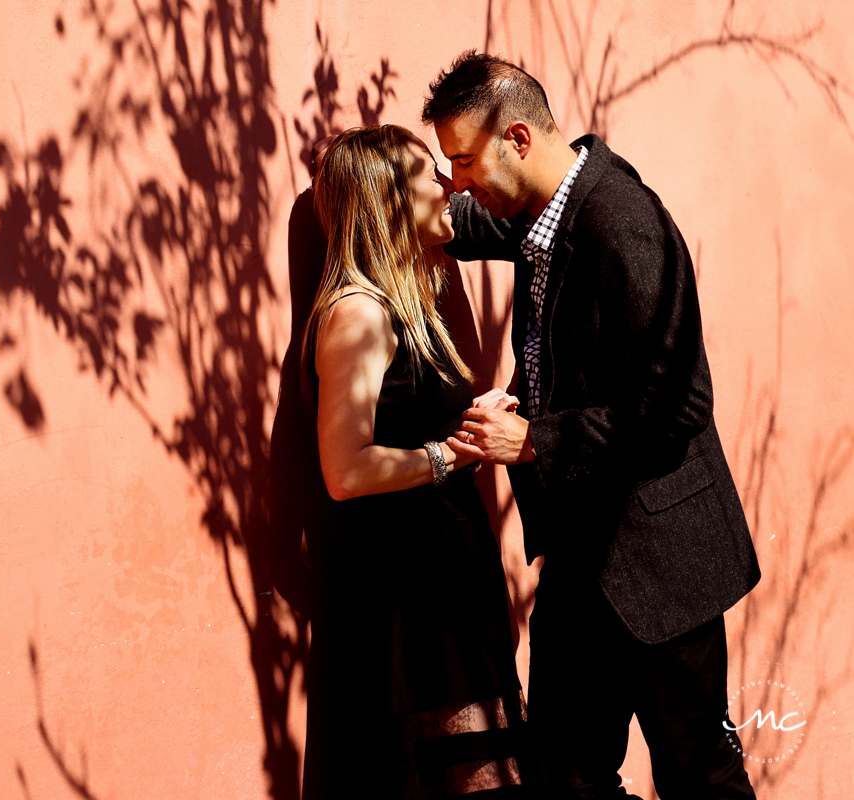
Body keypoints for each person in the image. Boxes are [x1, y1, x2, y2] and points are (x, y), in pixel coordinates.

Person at [426, 52, 761, 798]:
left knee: (696, 771)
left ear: (517, 140)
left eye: (463, 160)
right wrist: (391, 199)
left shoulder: (623, 223)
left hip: (661, 562)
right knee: (563, 773)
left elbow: (676, 406)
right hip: (581, 561)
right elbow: (475, 219)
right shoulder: (543, 215)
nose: (458, 180)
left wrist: (536, 439)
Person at [292, 124, 542, 799]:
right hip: (411, 610)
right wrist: (446, 456)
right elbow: (345, 472)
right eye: (429, 173)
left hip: (448, 587)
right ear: (386, 202)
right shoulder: (359, 314)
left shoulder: (410, 304)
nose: (446, 186)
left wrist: (466, 425)